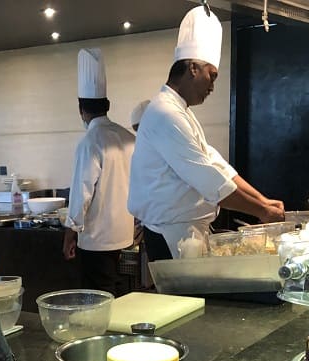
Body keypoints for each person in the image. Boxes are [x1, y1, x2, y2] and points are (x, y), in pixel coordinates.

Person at [128, 6, 285, 260]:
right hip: (171, 236)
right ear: (192, 68)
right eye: (211, 76)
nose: (212, 86)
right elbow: (208, 179)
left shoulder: (181, 111)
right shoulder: (165, 113)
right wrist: (261, 211)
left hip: (185, 232)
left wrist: (263, 201)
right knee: (181, 301)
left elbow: (216, 164)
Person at [63, 47, 136, 295]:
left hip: (97, 240)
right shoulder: (128, 138)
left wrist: (70, 233)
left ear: (80, 109)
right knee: (120, 296)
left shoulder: (90, 141)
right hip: (125, 235)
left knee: (98, 298)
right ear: (108, 105)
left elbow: (81, 191)